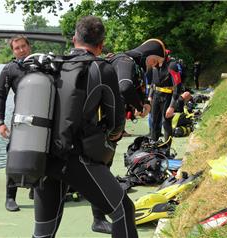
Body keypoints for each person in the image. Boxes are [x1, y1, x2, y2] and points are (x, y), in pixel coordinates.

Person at [32, 16, 138, 238]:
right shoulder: (102, 69)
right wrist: (107, 139)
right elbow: (117, 123)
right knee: (123, 211)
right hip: (76, 158)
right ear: (101, 45)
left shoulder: (51, 65)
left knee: (44, 231)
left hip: (42, 156)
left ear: (73, 39)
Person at [89, 38, 167, 234]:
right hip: (101, 126)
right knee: (99, 169)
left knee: (100, 169)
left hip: (103, 124)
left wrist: (141, 103)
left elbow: (130, 88)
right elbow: (124, 87)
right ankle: (98, 219)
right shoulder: (126, 62)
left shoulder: (125, 62)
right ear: (149, 55)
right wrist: (140, 106)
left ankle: (99, 217)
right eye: (155, 62)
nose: (154, 67)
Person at [0, 35, 34, 212]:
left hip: (43, 118)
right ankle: (10, 197)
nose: (21, 50)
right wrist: (0, 122)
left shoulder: (41, 66)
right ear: (13, 51)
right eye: (17, 48)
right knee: (14, 156)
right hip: (19, 119)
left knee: (43, 154)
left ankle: (37, 189)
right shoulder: (9, 70)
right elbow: (0, 97)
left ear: (29, 46)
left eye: (23, 46)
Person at [149, 54, 183, 151]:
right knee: (154, 122)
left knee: (166, 122)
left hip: (167, 97)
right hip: (156, 96)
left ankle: (167, 149)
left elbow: (178, 86)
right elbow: (152, 82)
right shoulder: (154, 65)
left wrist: (172, 106)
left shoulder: (172, 65)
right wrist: (150, 95)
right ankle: (153, 149)